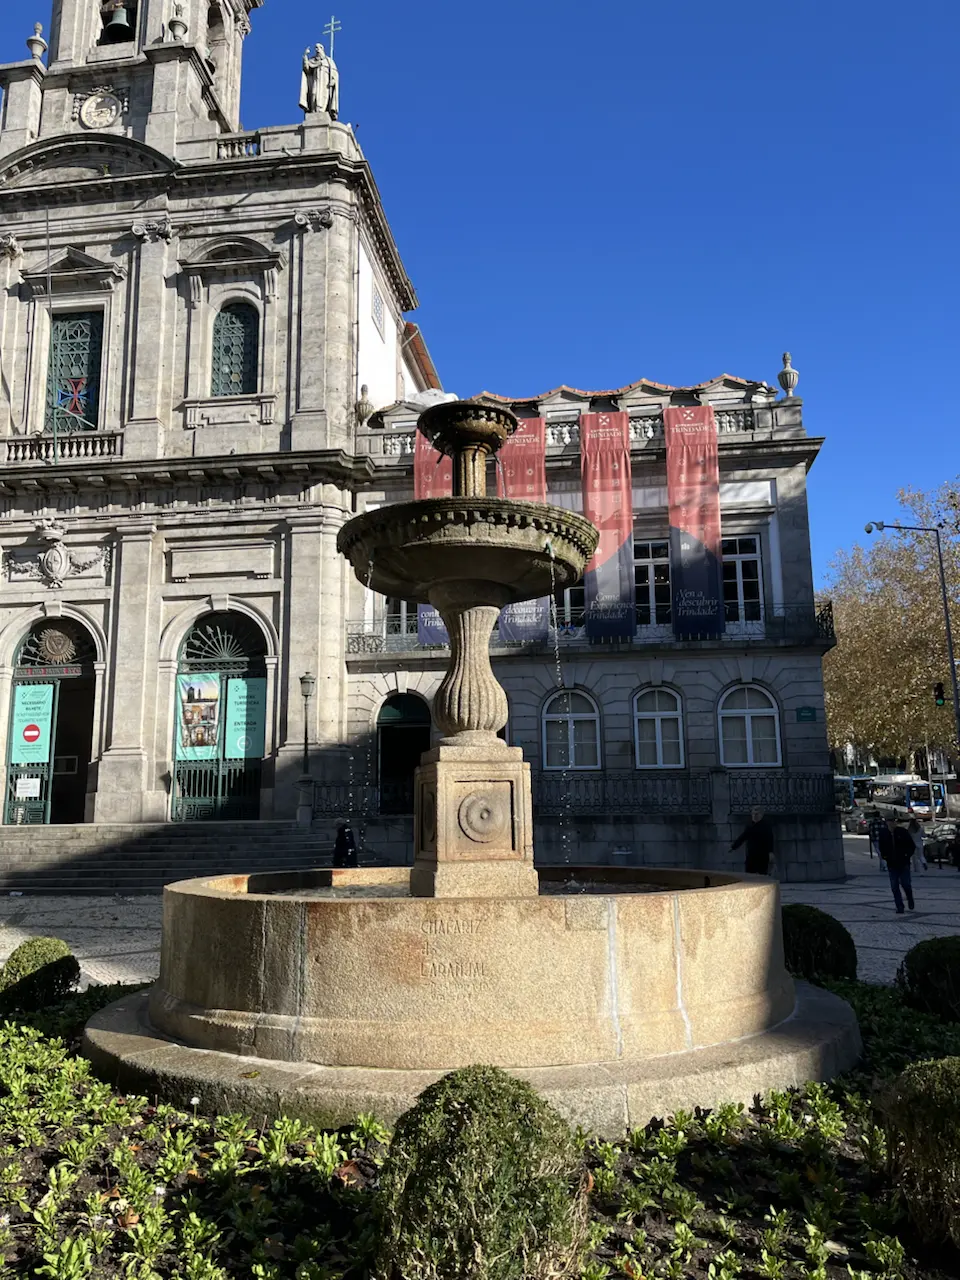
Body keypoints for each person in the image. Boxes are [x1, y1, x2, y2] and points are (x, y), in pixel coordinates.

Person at [878, 817, 915, 913]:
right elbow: (881, 846)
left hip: (903, 863)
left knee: (906, 884)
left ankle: (910, 898)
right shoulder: (884, 833)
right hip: (891, 864)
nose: (892, 823)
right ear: (886, 822)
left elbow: (911, 845)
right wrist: (885, 856)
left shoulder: (902, 832)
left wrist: (906, 855)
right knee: (894, 886)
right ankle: (899, 906)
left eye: (893, 821)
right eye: (889, 821)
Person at [731, 807, 775, 875]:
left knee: (762, 875)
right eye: (753, 814)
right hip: (751, 855)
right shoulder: (749, 825)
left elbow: (770, 839)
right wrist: (734, 846)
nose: (754, 816)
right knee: (749, 874)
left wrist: (770, 852)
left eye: (757, 814)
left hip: (762, 855)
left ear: (761, 815)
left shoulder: (766, 826)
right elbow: (743, 837)